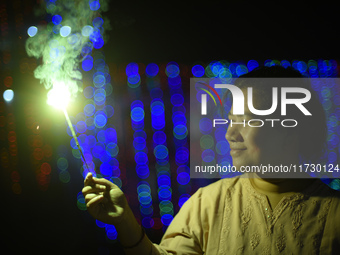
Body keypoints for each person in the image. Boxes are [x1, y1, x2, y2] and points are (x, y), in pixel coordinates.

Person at [82, 65, 340, 254]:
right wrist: (125, 219)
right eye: (230, 120)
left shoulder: (333, 214)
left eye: (245, 120)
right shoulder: (208, 204)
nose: (230, 133)